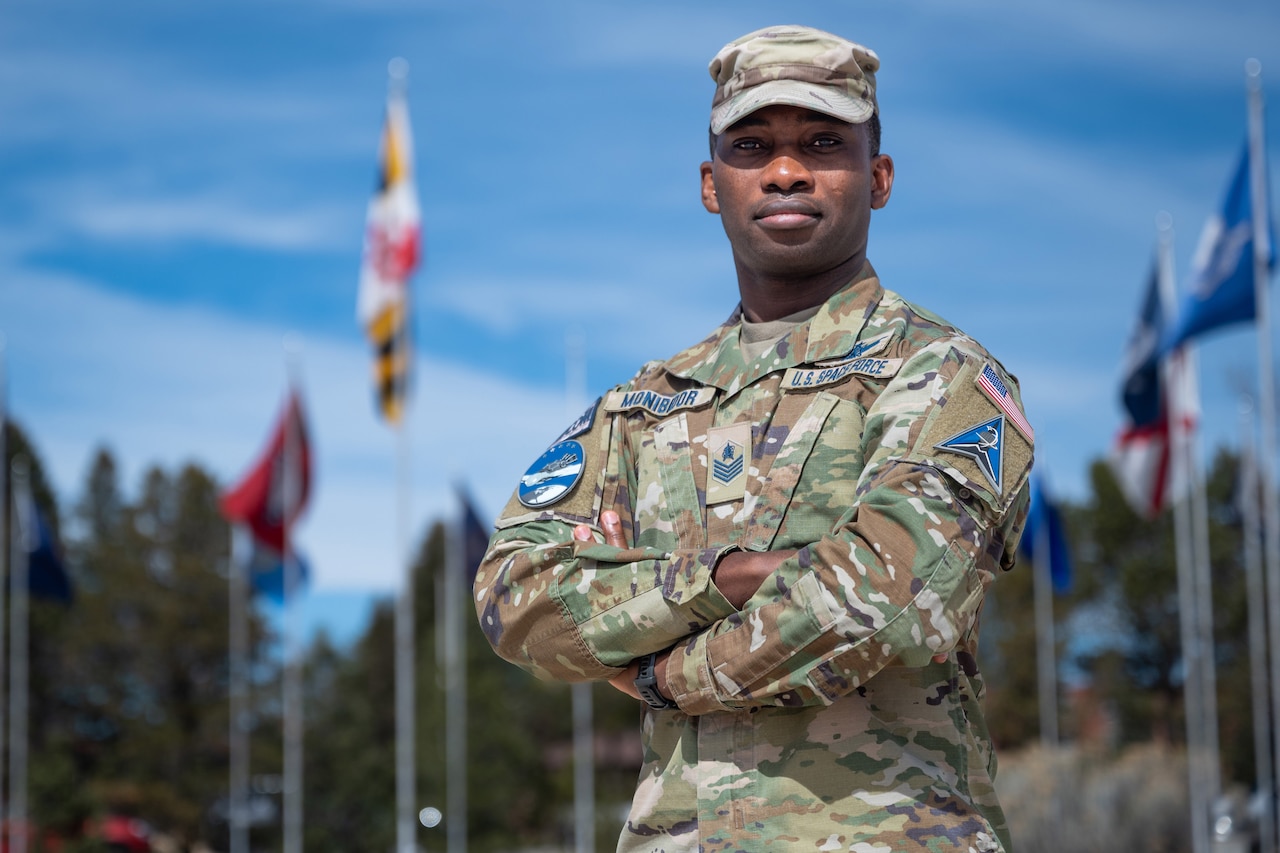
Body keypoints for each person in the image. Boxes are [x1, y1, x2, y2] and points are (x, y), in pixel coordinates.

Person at [474, 24, 1033, 853]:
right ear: (711, 184)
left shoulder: (941, 373)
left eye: (822, 142)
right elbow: (513, 592)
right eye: (751, 145)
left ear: (878, 178)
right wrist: (726, 578)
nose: (784, 169)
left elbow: (890, 601)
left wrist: (661, 674)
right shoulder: (642, 407)